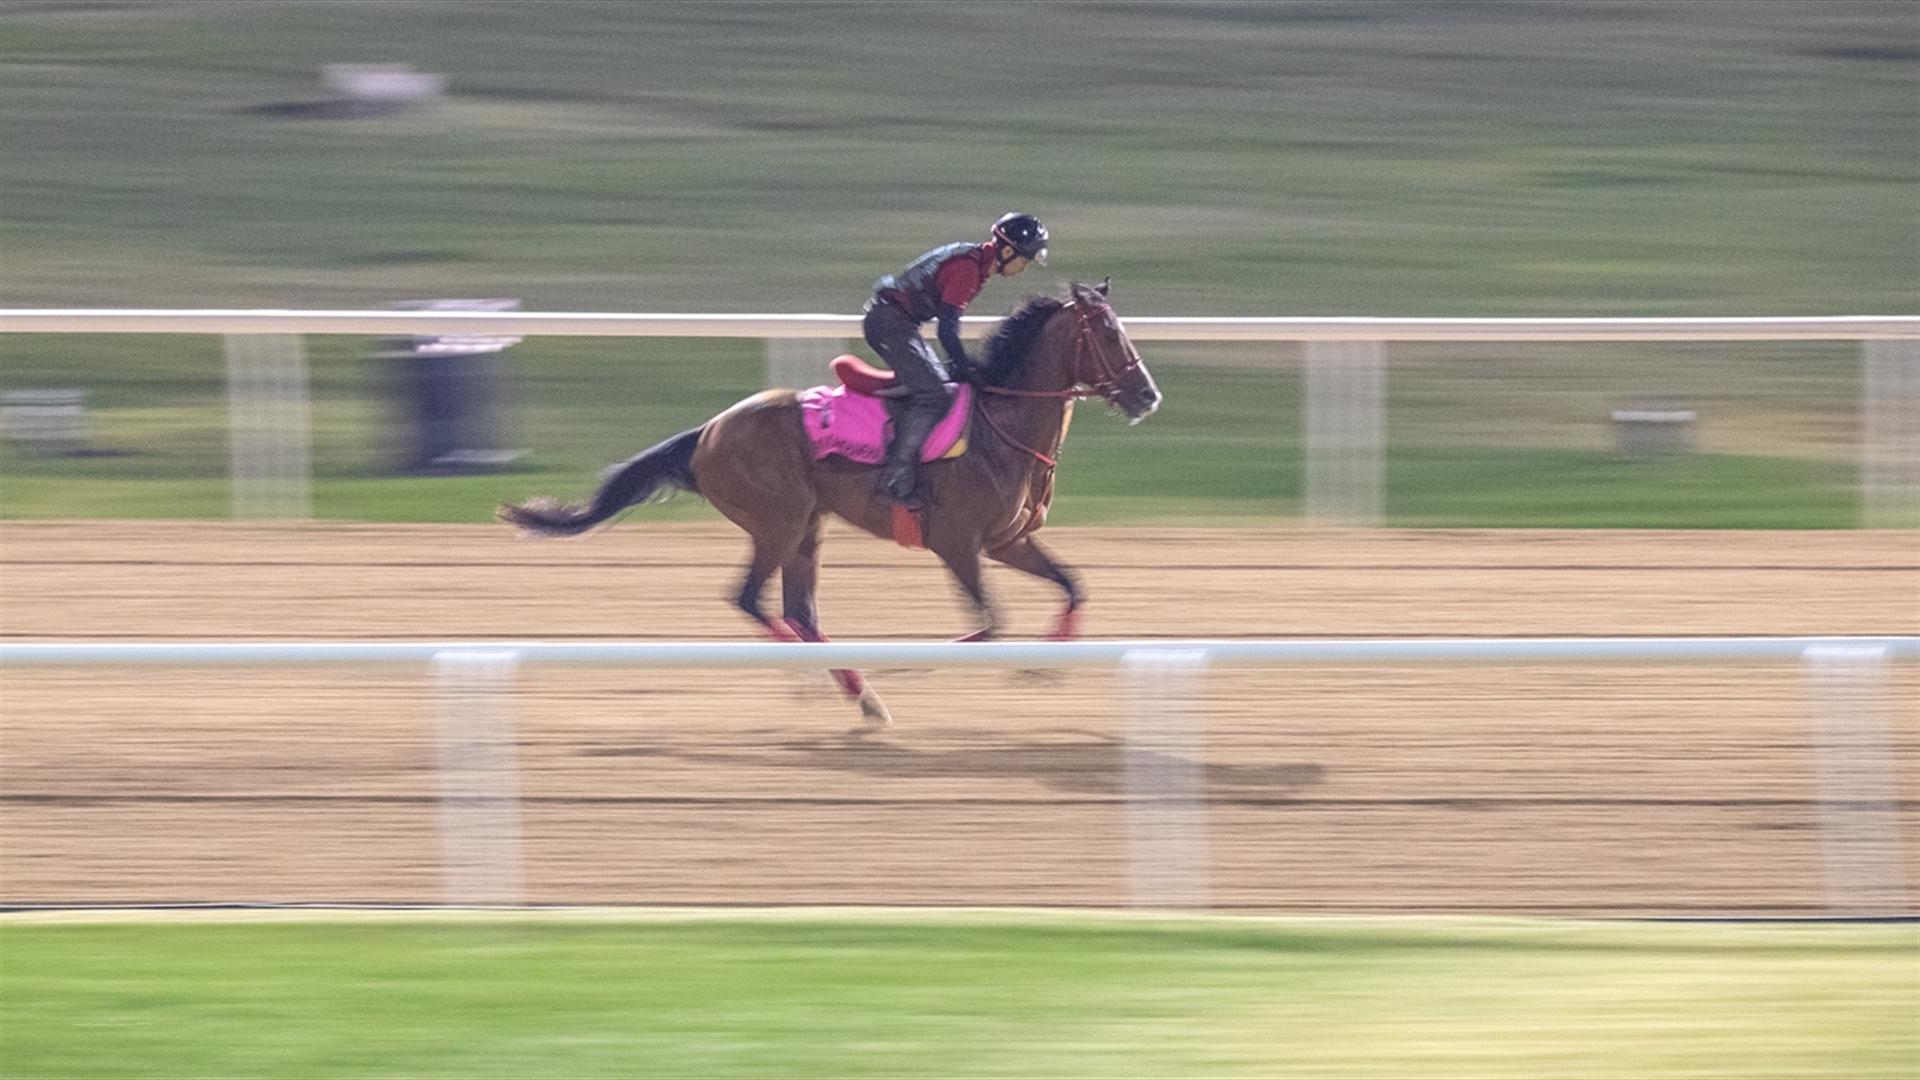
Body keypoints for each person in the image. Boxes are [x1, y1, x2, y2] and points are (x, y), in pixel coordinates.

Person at [863, 211, 1049, 509]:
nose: (1023, 267)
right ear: (1007, 250)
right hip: (890, 325)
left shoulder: (975, 260)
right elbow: (947, 331)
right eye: (1024, 260)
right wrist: (967, 366)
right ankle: (896, 478)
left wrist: (962, 365)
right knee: (935, 396)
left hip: (897, 323)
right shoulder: (968, 270)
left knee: (944, 385)